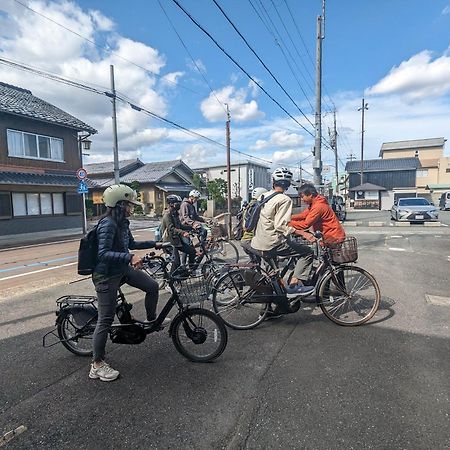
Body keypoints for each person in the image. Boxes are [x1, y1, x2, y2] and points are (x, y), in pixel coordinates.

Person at [89, 184, 168, 382]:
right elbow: (103, 254)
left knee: (151, 286)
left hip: (121, 270)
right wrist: (130, 258)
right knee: (105, 319)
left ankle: (152, 320)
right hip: (105, 275)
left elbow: (130, 244)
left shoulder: (123, 222)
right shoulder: (107, 224)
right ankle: (97, 365)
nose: (132, 208)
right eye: (129, 204)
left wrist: (155, 244)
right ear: (119, 204)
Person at [250, 167, 315, 297]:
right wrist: (303, 233)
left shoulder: (264, 196)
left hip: (258, 241)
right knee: (307, 252)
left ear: (273, 181)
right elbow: (280, 225)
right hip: (272, 242)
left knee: (272, 277)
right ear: (288, 184)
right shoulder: (284, 200)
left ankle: (272, 309)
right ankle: (294, 285)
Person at [161, 194, 196, 273]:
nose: (179, 205)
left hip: (177, 241)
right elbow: (171, 228)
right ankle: (170, 281)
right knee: (176, 263)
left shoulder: (175, 213)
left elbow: (180, 226)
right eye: (177, 203)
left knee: (192, 251)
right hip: (169, 242)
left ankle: (191, 270)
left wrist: (191, 227)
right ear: (171, 204)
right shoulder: (167, 215)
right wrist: (183, 233)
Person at [240, 187, 268, 263]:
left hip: (246, 241)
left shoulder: (248, 206)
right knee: (269, 257)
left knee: (255, 264)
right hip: (250, 241)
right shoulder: (257, 207)